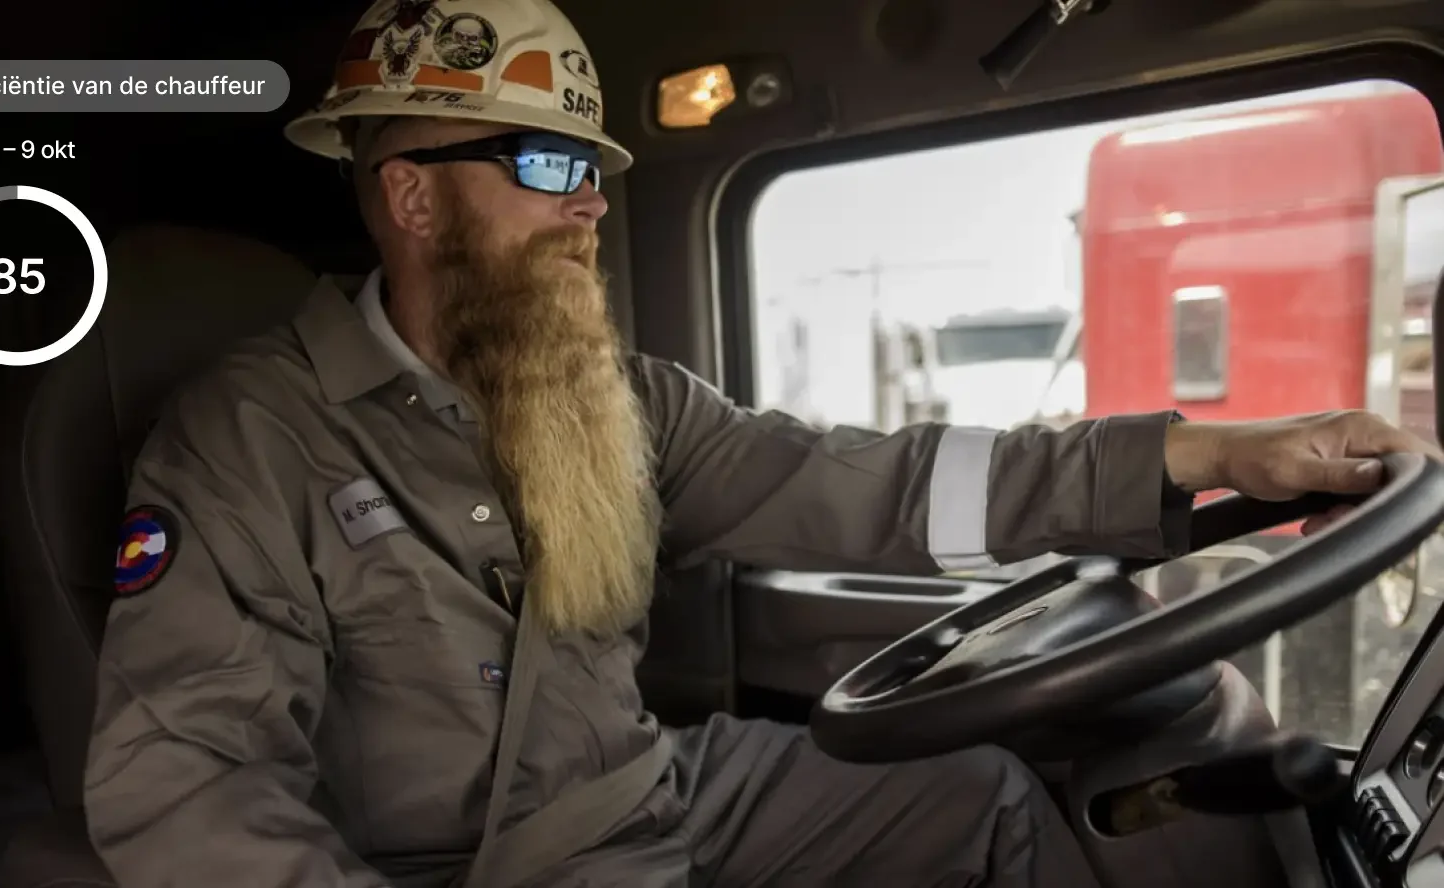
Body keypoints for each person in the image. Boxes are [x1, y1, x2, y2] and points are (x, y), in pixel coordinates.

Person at [80, 0, 1442, 885]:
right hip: (477, 867)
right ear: (412, 197)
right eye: (548, 167)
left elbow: (888, 486)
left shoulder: (618, 399)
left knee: (974, 803)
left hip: (665, 796)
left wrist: (1195, 458)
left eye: (595, 174)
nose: (589, 207)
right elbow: (189, 784)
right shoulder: (248, 441)